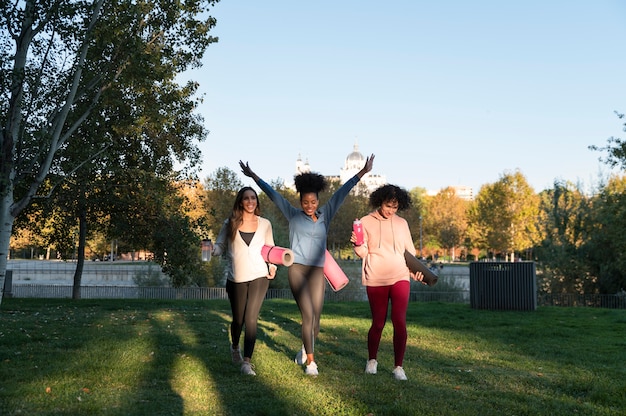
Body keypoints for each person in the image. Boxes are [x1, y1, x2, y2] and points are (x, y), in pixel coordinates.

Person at [240, 155, 374, 376]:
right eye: (305, 203)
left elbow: (343, 191)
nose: (309, 206)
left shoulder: (326, 214)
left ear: (318, 202)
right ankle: (311, 363)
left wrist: (362, 172)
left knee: (316, 321)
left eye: (313, 202)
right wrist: (254, 176)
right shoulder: (292, 215)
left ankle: (305, 347)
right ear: (300, 202)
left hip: (317, 271)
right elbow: (272, 194)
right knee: (308, 316)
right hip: (297, 270)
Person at [350, 184, 425, 381]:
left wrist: (416, 272)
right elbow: (363, 252)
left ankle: (398, 367)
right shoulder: (365, 221)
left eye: (395, 207)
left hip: (400, 276)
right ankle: (372, 360)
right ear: (379, 202)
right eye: (387, 206)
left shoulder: (402, 224)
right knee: (378, 322)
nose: (391, 211)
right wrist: (357, 244)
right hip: (376, 278)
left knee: (399, 321)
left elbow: (410, 253)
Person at [212, 186, 277, 376]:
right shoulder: (230, 223)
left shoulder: (265, 224)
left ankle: (247, 362)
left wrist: (273, 266)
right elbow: (219, 245)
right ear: (241, 201)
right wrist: (210, 250)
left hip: (259, 274)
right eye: (247, 198)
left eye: (253, 198)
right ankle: (234, 347)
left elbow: (270, 248)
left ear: (257, 201)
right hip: (236, 277)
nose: (250, 202)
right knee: (238, 319)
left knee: (251, 318)